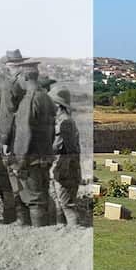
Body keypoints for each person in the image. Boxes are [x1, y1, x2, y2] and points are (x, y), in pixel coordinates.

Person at [11, 58, 56, 226]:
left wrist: (20, 161)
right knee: (43, 195)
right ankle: (48, 233)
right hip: (45, 155)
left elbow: (24, 133)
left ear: (24, 77)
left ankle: (40, 238)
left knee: (34, 199)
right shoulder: (46, 98)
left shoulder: (28, 100)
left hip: (31, 158)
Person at [0, 49, 28, 224]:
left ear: (10, 66)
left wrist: (4, 140)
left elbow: (7, 115)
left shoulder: (11, 84)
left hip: (14, 140)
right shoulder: (29, 82)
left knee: (13, 180)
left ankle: (18, 219)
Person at [50, 86, 82, 226]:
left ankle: (74, 233)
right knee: (59, 204)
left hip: (66, 168)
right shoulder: (61, 121)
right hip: (61, 167)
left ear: (57, 104)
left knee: (66, 205)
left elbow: (60, 146)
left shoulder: (65, 122)